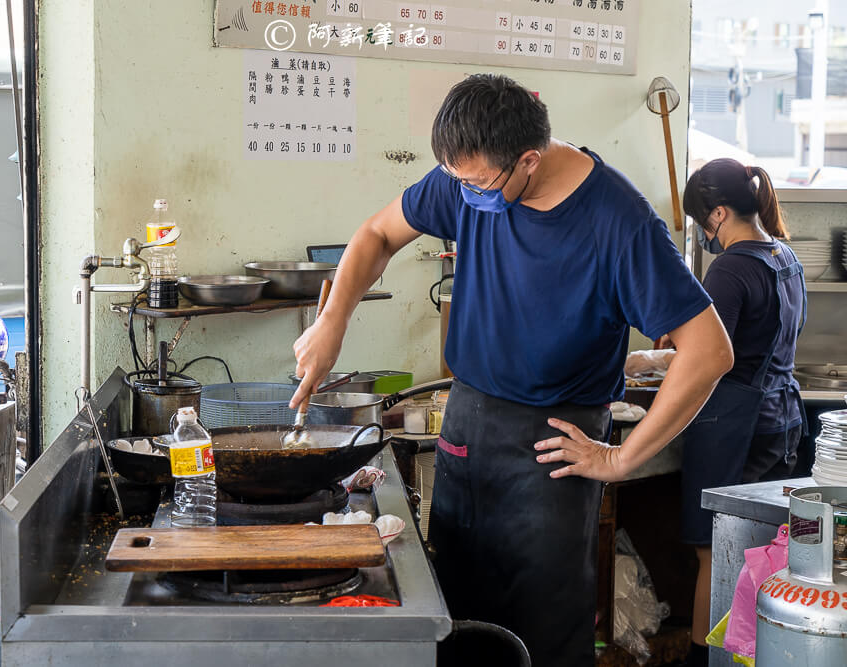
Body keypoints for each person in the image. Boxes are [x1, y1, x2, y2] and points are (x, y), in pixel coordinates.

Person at [289, 74, 733, 666]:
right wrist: (332, 323)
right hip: (469, 424)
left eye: (476, 183)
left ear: (529, 159)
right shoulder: (466, 180)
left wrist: (622, 459)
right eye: (456, 180)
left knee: (540, 632)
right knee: (460, 617)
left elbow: (709, 351)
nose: (465, 196)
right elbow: (376, 233)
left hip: (555, 445)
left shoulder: (618, 222)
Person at [678, 158, 806, 667]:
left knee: (716, 552)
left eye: (700, 222)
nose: (702, 234)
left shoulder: (731, 268)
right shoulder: (786, 257)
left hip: (735, 426)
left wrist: (652, 360)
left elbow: (708, 357)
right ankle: (759, 654)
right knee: (765, 551)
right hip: (783, 419)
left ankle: (702, 661)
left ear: (720, 213)